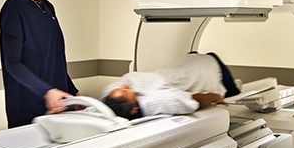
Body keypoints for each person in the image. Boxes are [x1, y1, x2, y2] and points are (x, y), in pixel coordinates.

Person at [0, 0, 78, 128]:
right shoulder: (14, 9)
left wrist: (74, 94)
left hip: (58, 107)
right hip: (29, 110)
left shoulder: (48, 8)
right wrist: (47, 92)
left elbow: (55, 59)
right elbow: (12, 63)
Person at [101, 52, 242, 119]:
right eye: (124, 92)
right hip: (210, 68)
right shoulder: (156, 101)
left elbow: (104, 98)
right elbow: (192, 101)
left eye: (119, 89)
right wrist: (214, 96)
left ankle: (193, 56)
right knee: (233, 91)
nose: (124, 87)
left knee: (180, 69)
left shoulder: (110, 104)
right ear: (133, 110)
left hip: (172, 72)